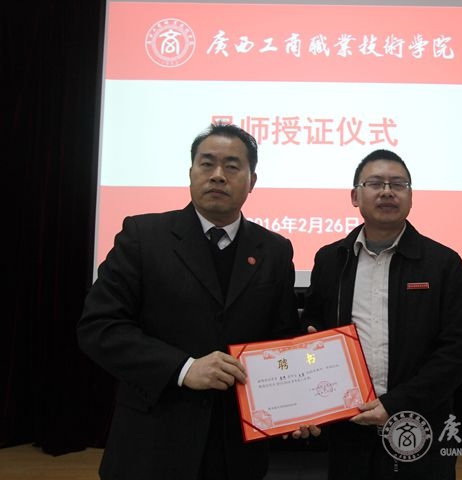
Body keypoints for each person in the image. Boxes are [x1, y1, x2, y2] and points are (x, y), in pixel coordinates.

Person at [77, 123, 303, 480]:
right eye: (206, 163)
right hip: (154, 439)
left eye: (232, 166)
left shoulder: (274, 250)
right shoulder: (142, 237)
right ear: (191, 172)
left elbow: (281, 338)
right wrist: (183, 368)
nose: (218, 175)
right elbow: (99, 327)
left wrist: (301, 397)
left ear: (252, 181)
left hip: (237, 447)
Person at [300, 149, 462, 480]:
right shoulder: (331, 260)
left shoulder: (442, 263)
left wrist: (397, 404)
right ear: (355, 196)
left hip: (418, 421)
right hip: (348, 424)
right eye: (375, 184)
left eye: (398, 184)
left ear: (410, 197)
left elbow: (459, 350)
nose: (386, 192)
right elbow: (313, 327)